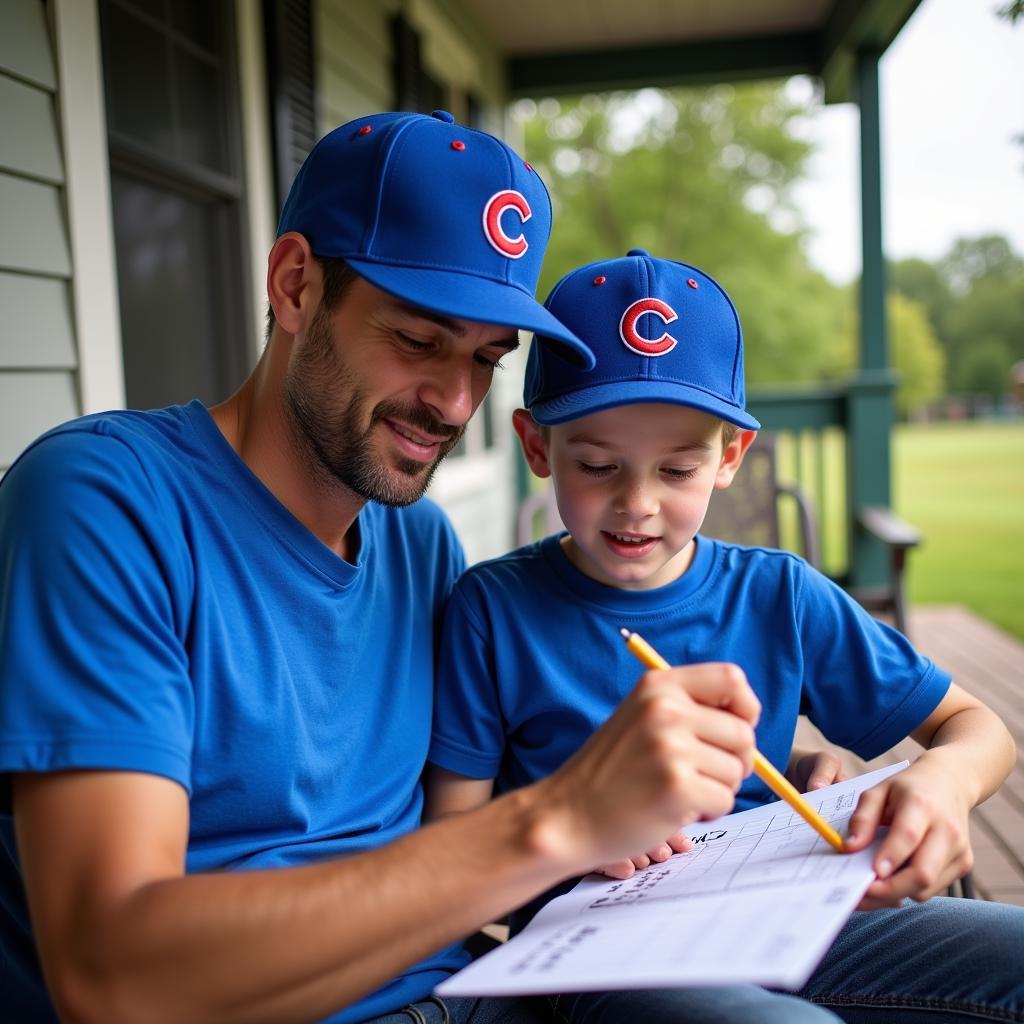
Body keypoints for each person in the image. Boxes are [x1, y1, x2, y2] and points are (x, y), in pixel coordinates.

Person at [0, 111, 775, 1024]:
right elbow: (113, 975)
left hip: (473, 986)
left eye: (487, 359)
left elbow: (480, 798)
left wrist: (753, 767)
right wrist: (553, 821)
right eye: (418, 341)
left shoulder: (420, 545)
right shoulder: (107, 500)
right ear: (295, 286)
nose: (453, 403)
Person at [426, 250, 1023, 1023]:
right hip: (604, 953)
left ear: (730, 457)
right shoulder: (493, 611)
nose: (636, 502)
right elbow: (450, 834)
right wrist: (570, 834)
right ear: (538, 447)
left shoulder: (778, 593)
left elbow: (978, 728)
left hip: (794, 915)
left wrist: (942, 782)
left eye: (676, 470)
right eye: (599, 464)